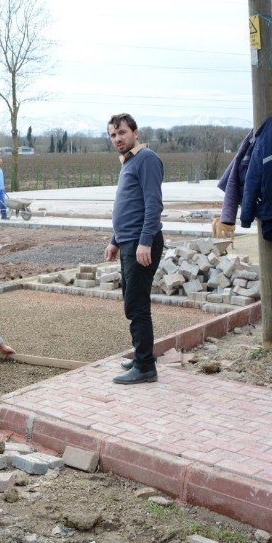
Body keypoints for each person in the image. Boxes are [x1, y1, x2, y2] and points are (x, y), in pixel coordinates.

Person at [104, 113, 164, 385]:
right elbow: (129, 206)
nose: (118, 139)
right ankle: (142, 357)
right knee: (131, 301)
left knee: (137, 304)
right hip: (128, 242)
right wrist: (115, 240)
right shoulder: (128, 161)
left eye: (122, 133)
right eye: (113, 135)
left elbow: (153, 205)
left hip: (141, 243)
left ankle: (145, 366)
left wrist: (145, 241)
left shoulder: (147, 159)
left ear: (135, 133)